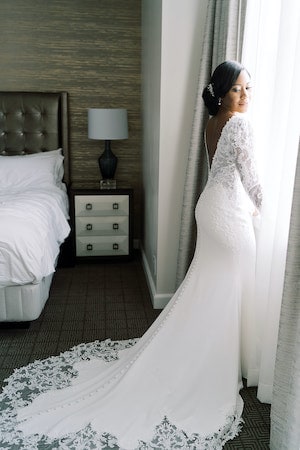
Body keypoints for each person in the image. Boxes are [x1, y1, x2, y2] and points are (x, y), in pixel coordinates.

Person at [0, 61, 262, 449]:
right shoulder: (238, 124)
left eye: (248, 88)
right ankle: (221, 360)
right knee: (223, 285)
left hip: (211, 209)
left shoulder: (212, 122)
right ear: (223, 93)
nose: (245, 95)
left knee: (211, 284)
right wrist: (268, 213)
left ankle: (218, 353)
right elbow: (252, 178)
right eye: (239, 89)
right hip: (227, 214)